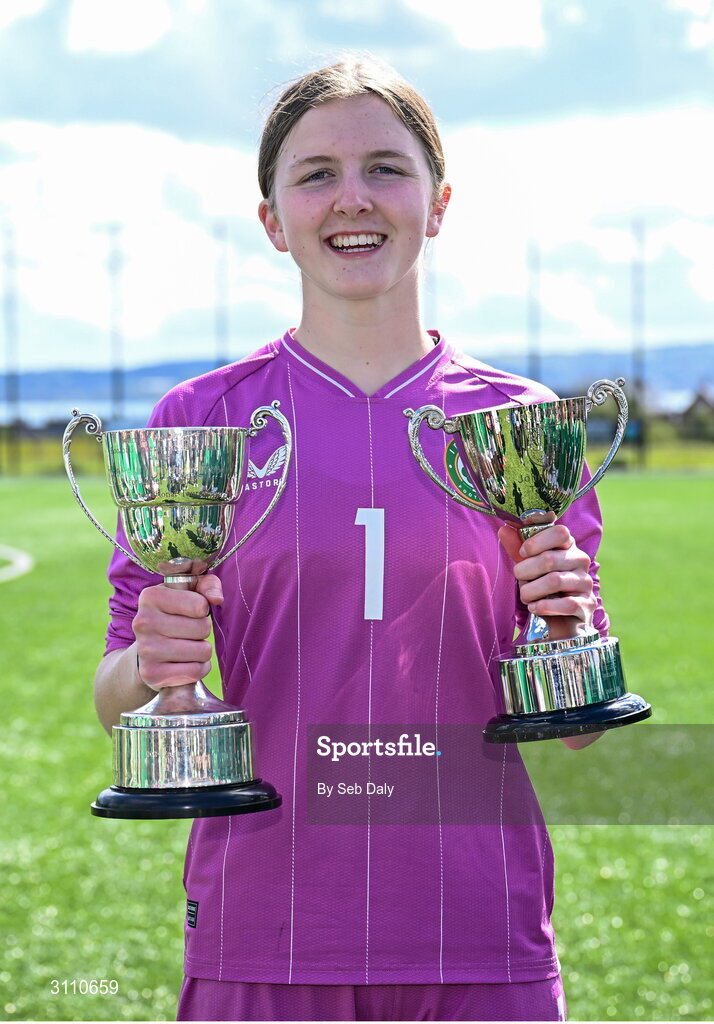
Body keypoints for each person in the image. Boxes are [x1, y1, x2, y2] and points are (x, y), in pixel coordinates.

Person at [95, 56, 608, 1023]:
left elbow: (579, 722)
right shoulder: (203, 423)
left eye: (386, 166)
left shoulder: (518, 425)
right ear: (271, 219)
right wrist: (148, 663)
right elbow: (117, 699)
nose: (352, 199)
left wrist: (569, 619)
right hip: (266, 929)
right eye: (316, 174)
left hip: (479, 932)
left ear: (439, 201)